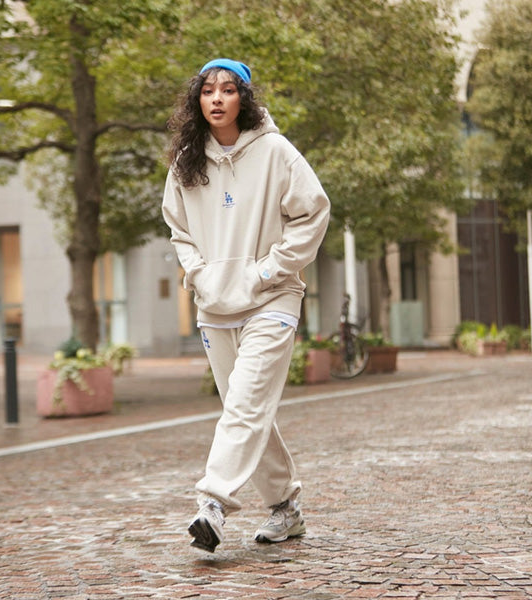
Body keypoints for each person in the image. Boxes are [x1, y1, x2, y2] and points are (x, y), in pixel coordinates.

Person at [162, 58, 330, 553]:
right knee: (249, 408)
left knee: (245, 403)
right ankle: (286, 509)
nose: (216, 98)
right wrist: (199, 275)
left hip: (273, 298)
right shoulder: (186, 162)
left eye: (228, 90)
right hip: (215, 307)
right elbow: (179, 231)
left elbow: (313, 212)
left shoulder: (276, 151)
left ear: (244, 99)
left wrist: (269, 269)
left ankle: (213, 503)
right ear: (198, 100)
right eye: (208, 90)